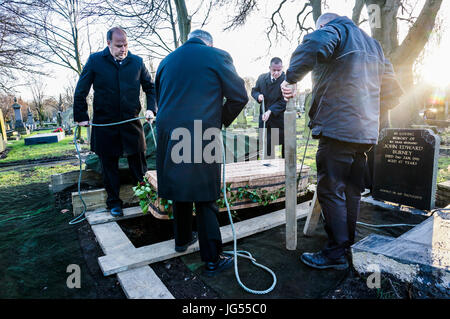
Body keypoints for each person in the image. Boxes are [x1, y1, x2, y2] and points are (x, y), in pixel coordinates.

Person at [281, 13, 402, 270]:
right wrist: (369, 113)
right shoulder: (374, 46)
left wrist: (290, 78)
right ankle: (346, 245)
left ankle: (335, 253)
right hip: (364, 133)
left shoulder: (335, 30)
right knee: (351, 190)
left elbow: (312, 45)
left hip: (338, 128)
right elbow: (393, 91)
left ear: (323, 25)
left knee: (330, 189)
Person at [154, 30, 248, 276]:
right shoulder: (217, 55)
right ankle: (213, 259)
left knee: (180, 188)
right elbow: (239, 97)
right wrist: (218, 121)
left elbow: (159, 98)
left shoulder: (166, 60)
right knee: (206, 196)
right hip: (200, 132)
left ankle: (182, 240)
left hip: (167, 134)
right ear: (210, 42)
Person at [73, 27, 156, 217]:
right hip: (105, 125)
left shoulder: (137, 62)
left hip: (132, 123)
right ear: (108, 43)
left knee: (139, 166)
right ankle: (114, 203)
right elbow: (81, 90)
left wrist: (151, 108)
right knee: (109, 167)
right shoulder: (95, 61)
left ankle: (147, 199)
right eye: (119, 45)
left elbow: (150, 88)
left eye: (126, 44)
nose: (123, 49)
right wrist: (82, 116)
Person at [251, 57, 286, 158]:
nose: (276, 73)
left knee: (284, 144)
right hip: (265, 120)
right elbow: (254, 90)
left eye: (279, 70)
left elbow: (284, 101)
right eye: (274, 70)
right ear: (269, 68)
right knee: (267, 146)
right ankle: (268, 168)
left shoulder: (286, 80)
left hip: (279, 120)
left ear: (282, 68)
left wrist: (270, 111)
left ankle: (285, 169)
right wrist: (258, 95)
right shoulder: (262, 78)